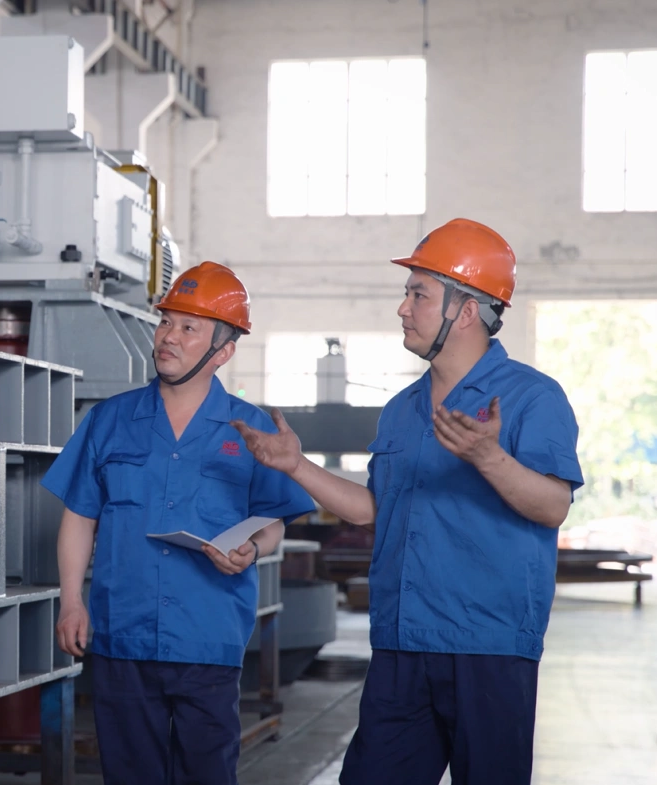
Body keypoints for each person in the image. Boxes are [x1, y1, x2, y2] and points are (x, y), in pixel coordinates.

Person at [233, 219, 583, 785]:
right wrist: (295, 465)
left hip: (487, 646)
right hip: (401, 641)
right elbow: (375, 508)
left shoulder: (530, 398)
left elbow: (553, 507)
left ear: (465, 310)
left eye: (418, 293)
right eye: (407, 293)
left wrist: (490, 457)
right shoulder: (402, 409)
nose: (402, 307)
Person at [44, 261, 316, 785]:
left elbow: (274, 520)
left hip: (208, 633)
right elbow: (79, 515)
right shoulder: (109, 420)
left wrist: (254, 549)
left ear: (224, 351)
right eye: (166, 322)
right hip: (122, 632)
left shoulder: (252, 427)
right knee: (129, 774)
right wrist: (72, 602)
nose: (168, 337)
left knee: (206, 774)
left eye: (189, 328)